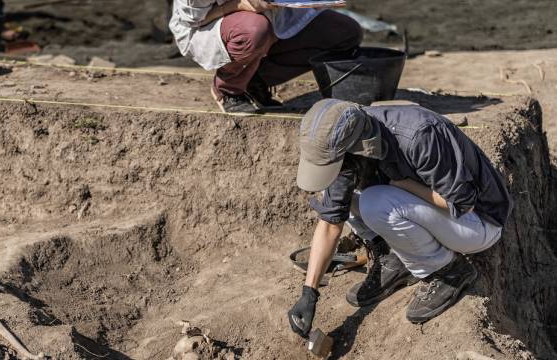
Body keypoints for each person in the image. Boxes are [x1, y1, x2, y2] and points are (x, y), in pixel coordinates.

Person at [286, 99, 513, 338]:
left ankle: (448, 271)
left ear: (352, 146)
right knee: (341, 194)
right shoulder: (351, 143)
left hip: (479, 223)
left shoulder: (419, 136)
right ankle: (394, 259)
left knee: (375, 203)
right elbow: (331, 222)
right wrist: (309, 293)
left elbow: (463, 204)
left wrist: (403, 185)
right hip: (433, 213)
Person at [169, 0, 362, 115]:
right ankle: (228, 88)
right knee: (255, 31)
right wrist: (240, 4)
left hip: (274, 12)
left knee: (344, 33)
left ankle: (254, 81)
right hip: (212, 23)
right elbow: (194, 18)